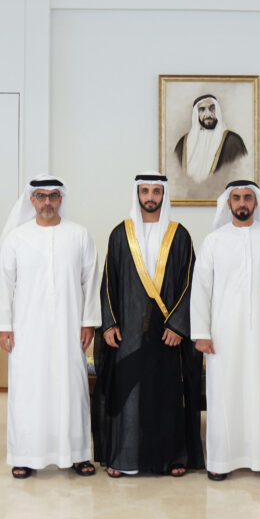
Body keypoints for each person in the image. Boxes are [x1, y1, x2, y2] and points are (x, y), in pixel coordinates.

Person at [93, 172, 203, 478]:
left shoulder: (179, 235)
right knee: (127, 396)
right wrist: (110, 323)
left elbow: (191, 283)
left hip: (168, 334)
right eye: (145, 191)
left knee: (167, 395)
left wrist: (179, 325)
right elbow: (109, 281)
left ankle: (172, 459)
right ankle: (123, 458)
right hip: (129, 333)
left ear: (164, 195)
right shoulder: (120, 234)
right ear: (137, 194)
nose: (150, 197)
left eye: (156, 191)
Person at [191, 181, 260, 480]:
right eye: (236, 198)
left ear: (256, 202)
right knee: (224, 394)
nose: (242, 203)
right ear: (228, 203)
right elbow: (201, 289)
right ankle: (221, 461)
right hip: (223, 335)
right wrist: (201, 333)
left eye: (247, 198)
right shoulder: (213, 241)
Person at [0, 176, 100, 478]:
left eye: (53, 196)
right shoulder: (16, 238)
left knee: (72, 388)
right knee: (29, 391)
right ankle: (25, 455)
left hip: (69, 328)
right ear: (32, 200)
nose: (47, 202)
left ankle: (77, 454)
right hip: (27, 331)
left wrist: (88, 322)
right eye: (41, 196)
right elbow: (4, 285)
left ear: (61, 200)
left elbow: (91, 281)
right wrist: (3, 326)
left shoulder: (79, 235)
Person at [173, 95, 248, 182]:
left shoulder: (233, 141)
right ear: (196, 114)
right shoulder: (183, 144)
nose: (208, 114)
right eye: (202, 109)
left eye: (212, 108)